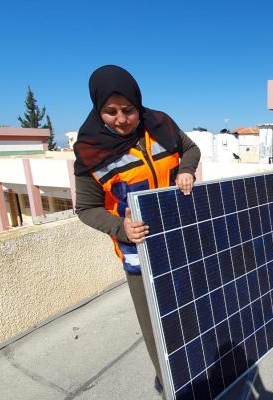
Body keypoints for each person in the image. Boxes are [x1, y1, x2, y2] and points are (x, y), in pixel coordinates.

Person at [73, 65, 200, 392]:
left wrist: (186, 170)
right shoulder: (90, 152)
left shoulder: (160, 125)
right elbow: (86, 208)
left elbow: (190, 149)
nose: (121, 119)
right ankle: (171, 386)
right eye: (110, 111)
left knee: (190, 311)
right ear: (98, 109)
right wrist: (121, 228)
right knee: (156, 325)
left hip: (179, 240)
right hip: (138, 253)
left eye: (128, 110)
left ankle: (198, 368)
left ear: (138, 104)